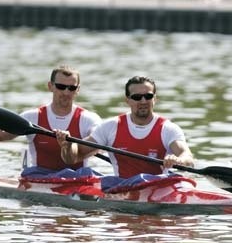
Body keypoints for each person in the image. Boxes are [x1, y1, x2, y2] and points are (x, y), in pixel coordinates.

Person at [57, 75, 194, 179]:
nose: (143, 101)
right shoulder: (111, 127)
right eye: (137, 97)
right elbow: (74, 157)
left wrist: (178, 160)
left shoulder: (168, 129)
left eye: (148, 96)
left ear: (155, 99)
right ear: (127, 100)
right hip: (122, 188)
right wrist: (67, 144)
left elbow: (187, 157)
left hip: (157, 188)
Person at [0, 65, 102, 172]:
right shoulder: (32, 118)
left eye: (71, 88)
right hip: (40, 179)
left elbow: (100, 143)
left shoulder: (89, 119)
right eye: (60, 86)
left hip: (77, 181)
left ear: (78, 90)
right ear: (50, 86)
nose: (66, 92)